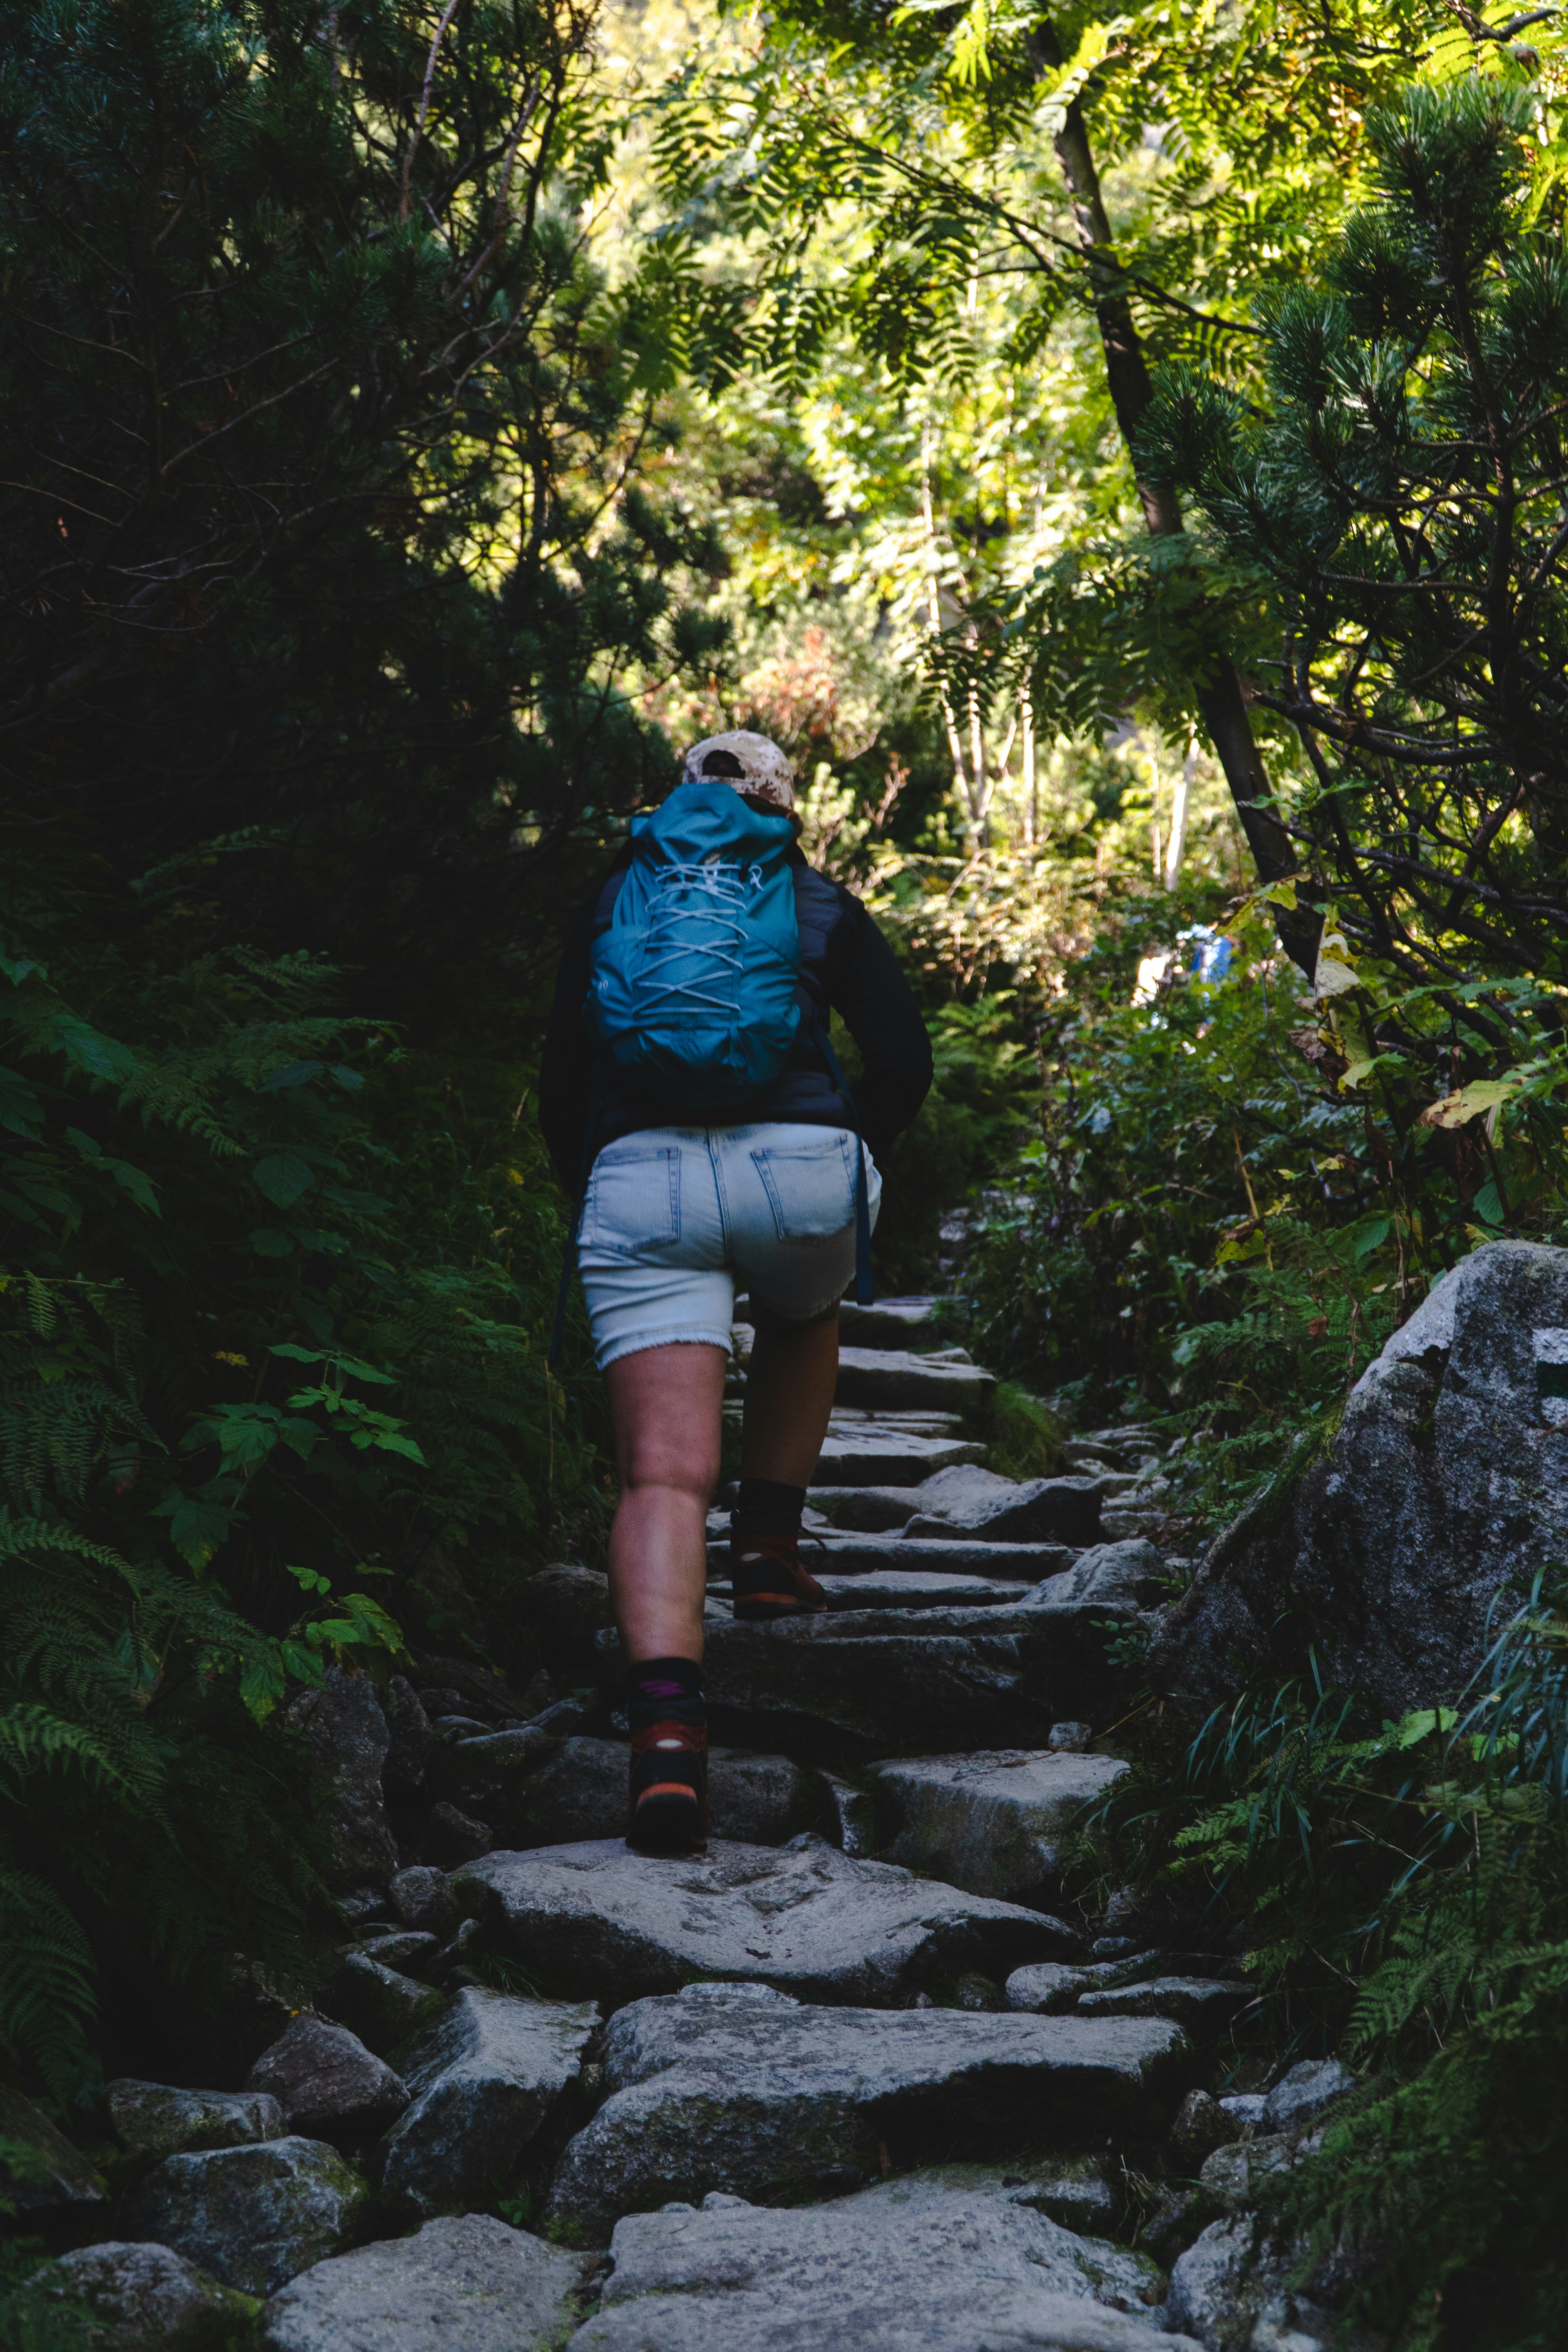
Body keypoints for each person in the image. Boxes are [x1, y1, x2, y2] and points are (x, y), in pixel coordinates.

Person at [539, 730, 932, 1856]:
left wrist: (596, 1187)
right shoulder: (817, 900)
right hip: (800, 1166)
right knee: (806, 1305)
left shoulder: (619, 894)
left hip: (640, 1172)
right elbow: (903, 1062)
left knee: (661, 1474)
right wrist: (853, 1164)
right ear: (780, 802)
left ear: (676, 799)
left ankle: (666, 1747)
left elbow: (562, 1071)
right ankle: (767, 1552)